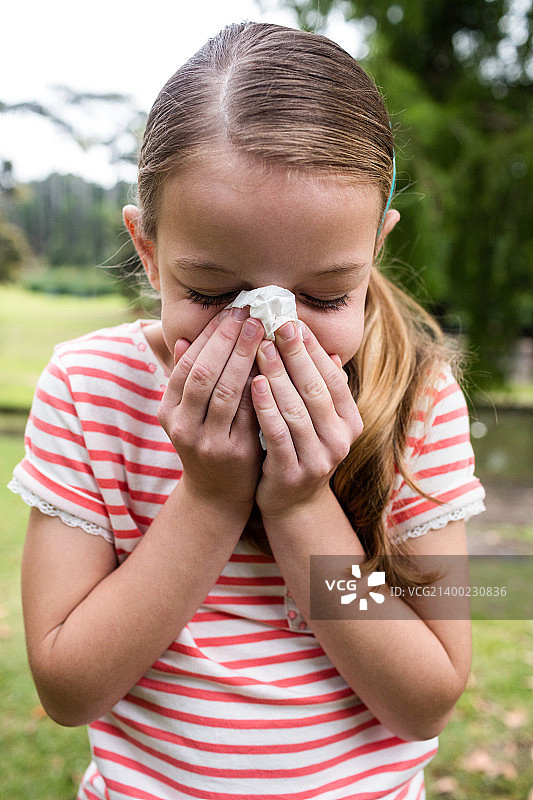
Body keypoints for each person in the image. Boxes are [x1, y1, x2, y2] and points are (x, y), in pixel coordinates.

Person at [10, 21, 486, 800]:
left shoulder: (416, 401)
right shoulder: (90, 390)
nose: (270, 327)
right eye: (210, 292)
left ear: (374, 247)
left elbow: (425, 696)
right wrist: (207, 498)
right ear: (149, 248)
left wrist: (302, 508)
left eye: (327, 295)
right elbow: (68, 688)